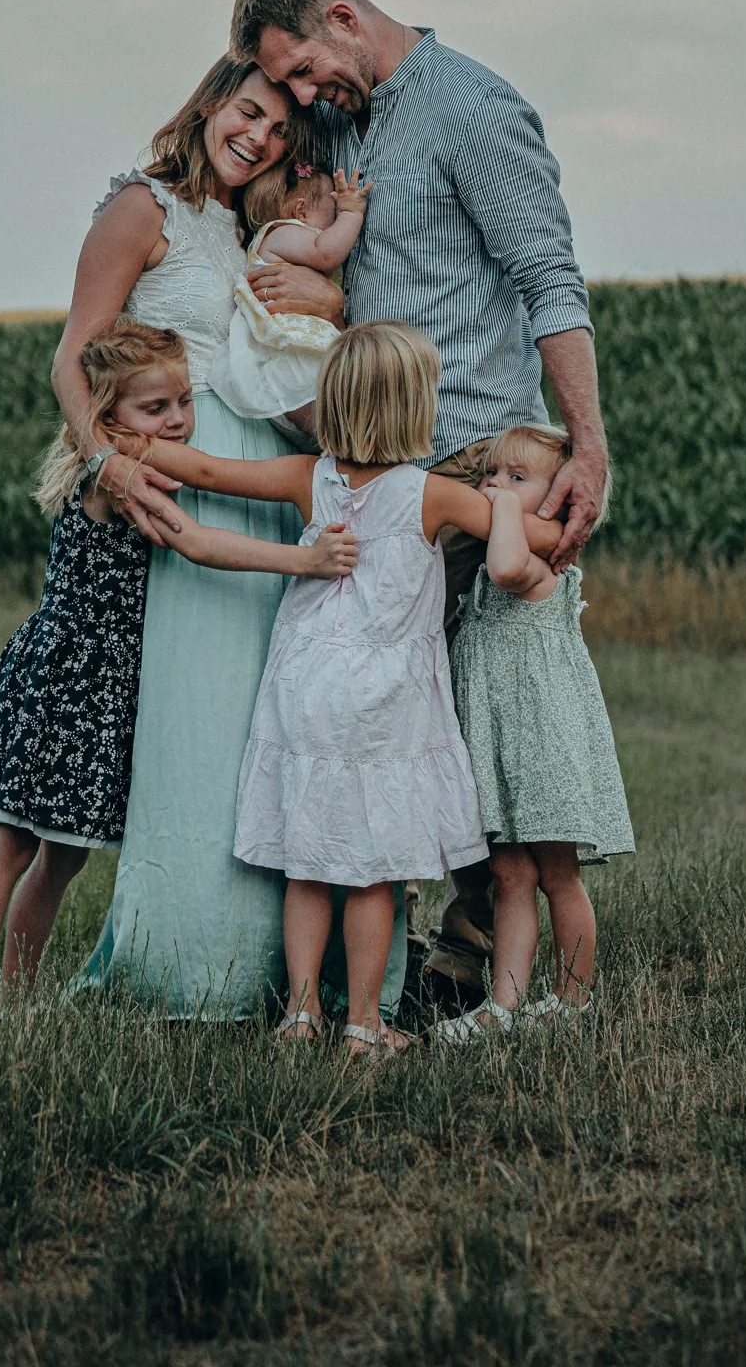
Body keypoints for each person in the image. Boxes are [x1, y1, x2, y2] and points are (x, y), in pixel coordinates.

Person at [230, 0, 610, 993]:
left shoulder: (475, 110)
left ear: (344, 17)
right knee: (388, 716)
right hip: (376, 466)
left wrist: (587, 443)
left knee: (485, 720)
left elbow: (549, 279)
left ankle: (481, 956)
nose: (302, 96)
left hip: (481, 460)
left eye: (305, 69)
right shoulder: (343, 131)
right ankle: (386, 969)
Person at [56, 55, 407, 1018]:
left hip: (266, 467)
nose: (256, 137)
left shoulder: (247, 225)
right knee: (205, 716)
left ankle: (297, 976)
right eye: (248, 113)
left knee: (284, 709)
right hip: (193, 468)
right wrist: (107, 461)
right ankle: (193, 961)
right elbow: (72, 351)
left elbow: (288, 326)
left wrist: (329, 302)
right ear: (212, 102)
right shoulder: (144, 208)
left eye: (278, 134)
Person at [140, 323, 565, 1059]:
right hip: (383, 698)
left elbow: (205, 471)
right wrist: (514, 506)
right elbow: (541, 541)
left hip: (304, 683)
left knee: (307, 859)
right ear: (414, 410)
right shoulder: (432, 494)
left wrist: (124, 444)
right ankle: (365, 1026)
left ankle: (299, 1014)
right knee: (372, 871)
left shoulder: (309, 476)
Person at [0, 318, 358, 1018]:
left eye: (181, 401)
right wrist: (303, 559)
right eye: (153, 407)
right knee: (10, 848)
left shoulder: (136, 456)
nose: (175, 419)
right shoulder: (122, 473)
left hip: (95, 689)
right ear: (109, 417)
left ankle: (7, 1005)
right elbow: (194, 542)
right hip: (64, 684)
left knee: (61, 857)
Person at [437, 425, 634, 1043]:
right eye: (491, 474)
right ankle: (505, 1004)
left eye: (516, 479)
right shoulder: (500, 545)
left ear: (557, 501)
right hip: (499, 748)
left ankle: (574, 1001)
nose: (496, 486)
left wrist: (494, 509)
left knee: (556, 877)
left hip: (542, 751)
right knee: (509, 878)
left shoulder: (538, 568)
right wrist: (501, 501)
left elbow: (502, 565)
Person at [210, 167, 371, 420]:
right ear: (301, 211)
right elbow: (326, 253)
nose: (336, 219)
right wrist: (352, 213)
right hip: (291, 346)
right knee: (330, 405)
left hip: (292, 349)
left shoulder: (282, 237)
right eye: (334, 211)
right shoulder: (282, 232)